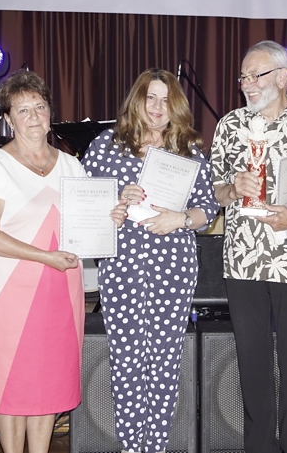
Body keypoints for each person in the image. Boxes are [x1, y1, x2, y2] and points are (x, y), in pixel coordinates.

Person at [0, 69, 126, 453]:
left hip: (61, 288)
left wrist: (111, 217)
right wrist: (45, 257)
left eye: (39, 107)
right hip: (9, 291)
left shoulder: (72, 165)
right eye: (22, 109)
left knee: (49, 381)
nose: (33, 116)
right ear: (8, 119)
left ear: (50, 112)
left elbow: (85, 225)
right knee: (12, 383)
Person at [209, 40, 287, 453]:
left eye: (256, 74)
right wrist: (233, 189)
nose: (247, 83)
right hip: (242, 261)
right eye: (243, 76)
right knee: (253, 365)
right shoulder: (229, 125)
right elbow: (215, 190)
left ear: (282, 77)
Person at [82, 68, 218, 453]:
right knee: (126, 363)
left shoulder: (188, 151)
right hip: (122, 268)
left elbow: (207, 208)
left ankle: (156, 446)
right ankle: (131, 447)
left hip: (173, 268)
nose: (157, 107)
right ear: (136, 100)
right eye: (150, 97)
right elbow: (84, 205)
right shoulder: (106, 146)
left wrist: (181, 219)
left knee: (164, 364)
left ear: (176, 106)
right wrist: (115, 202)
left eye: (165, 100)